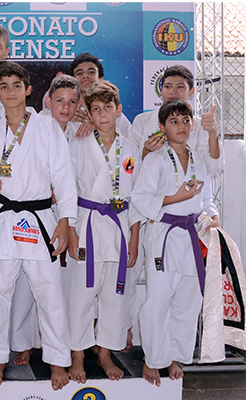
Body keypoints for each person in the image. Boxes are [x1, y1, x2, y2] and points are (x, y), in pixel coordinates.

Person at [0, 62, 78, 390]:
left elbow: (63, 177)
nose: (10, 92)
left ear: (29, 90)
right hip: (5, 219)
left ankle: (58, 360)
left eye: (16, 86)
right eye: (4, 86)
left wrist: (65, 222)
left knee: (49, 293)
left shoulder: (47, 128)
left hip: (39, 220)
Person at [131, 99, 220, 386]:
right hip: (164, 235)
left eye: (185, 120)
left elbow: (205, 199)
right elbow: (140, 198)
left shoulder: (198, 159)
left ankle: (174, 356)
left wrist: (212, 217)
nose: (181, 126)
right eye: (173, 121)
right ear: (162, 127)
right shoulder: (155, 160)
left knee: (188, 299)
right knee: (158, 299)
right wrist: (175, 198)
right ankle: (153, 358)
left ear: (192, 124)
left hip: (191, 237)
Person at [66, 81, 143, 383]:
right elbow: (67, 189)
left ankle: (105, 352)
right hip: (86, 222)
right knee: (80, 294)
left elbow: (136, 197)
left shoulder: (130, 149)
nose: (102, 115)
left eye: (107, 108)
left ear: (118, 110)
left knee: (115, 295)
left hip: (119, 225)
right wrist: (71, 231)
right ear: (88, 113)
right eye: (95, 109)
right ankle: (77, 355)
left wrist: (134, 239)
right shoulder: (78, 144)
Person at [9, 74, 81, 367]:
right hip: (33, 213)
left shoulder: (81, 133)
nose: (65, 108)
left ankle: (69, 345)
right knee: (25, 286)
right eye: (60, 101)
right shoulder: (32, 125)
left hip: (68, 214)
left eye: (72, 102)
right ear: (48, 101)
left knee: (58, 288)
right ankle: (22, 343)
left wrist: (69, 221)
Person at [129, 65, 223, 175]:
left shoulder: (201, 125)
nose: (173, 91)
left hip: (190, 184)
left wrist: (213, 133)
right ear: (161, 90)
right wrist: (146, 151)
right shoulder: (142, 121)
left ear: (191, 91)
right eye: (168, 86)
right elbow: (128, 164)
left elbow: (214, 168)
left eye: (180, 87)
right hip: (153, 184)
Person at [70, 52, 132, 138]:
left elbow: (130, 143)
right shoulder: (65, 112)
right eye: (79, 73)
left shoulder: (115, 115)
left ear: (100, 78)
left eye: (91, 72)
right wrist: (65, 120)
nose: (85, 76)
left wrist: (100, 124)